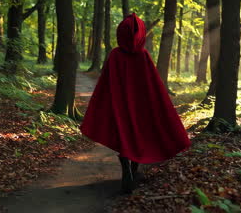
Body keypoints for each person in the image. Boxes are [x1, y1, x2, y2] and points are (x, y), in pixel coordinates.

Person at [80, 13, 191, 194]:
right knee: (139, 135)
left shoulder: (115, 55)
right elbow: (154, 87)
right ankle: (133, 169)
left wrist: (104, 106)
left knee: (124, 135)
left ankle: (126, 166)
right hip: (141, 107)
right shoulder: (143, 56)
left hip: (119, 105)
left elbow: (105, 85)